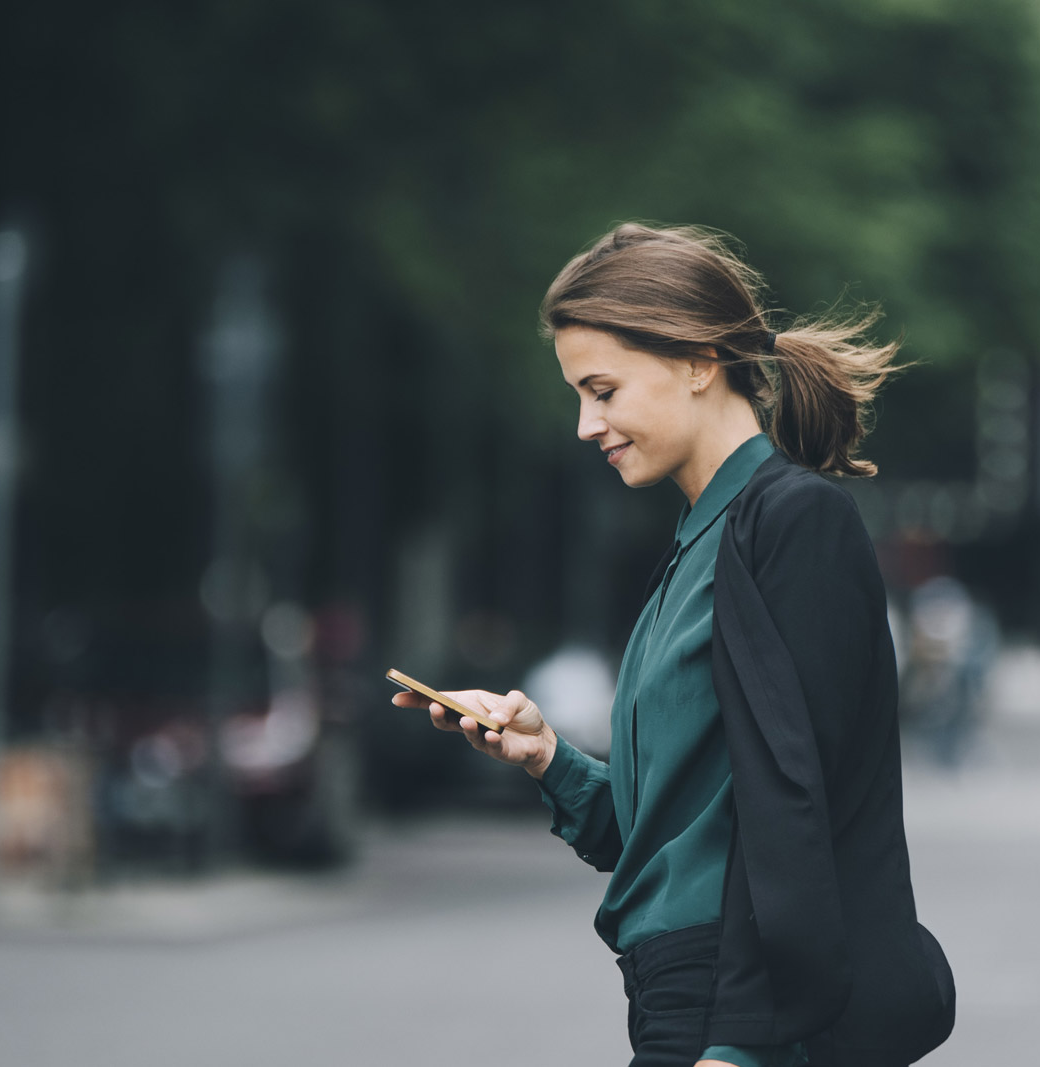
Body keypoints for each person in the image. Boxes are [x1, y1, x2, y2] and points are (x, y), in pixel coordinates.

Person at [392, 223, 954, 1067]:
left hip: (743, 1016)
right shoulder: (699, 547)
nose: (587, 423)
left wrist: (738, 1045)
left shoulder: (794, 523)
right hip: (679, 1000)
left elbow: (807, 811)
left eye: (604, 390)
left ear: (697, 361)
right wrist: (548, 757)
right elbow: (666, 838)